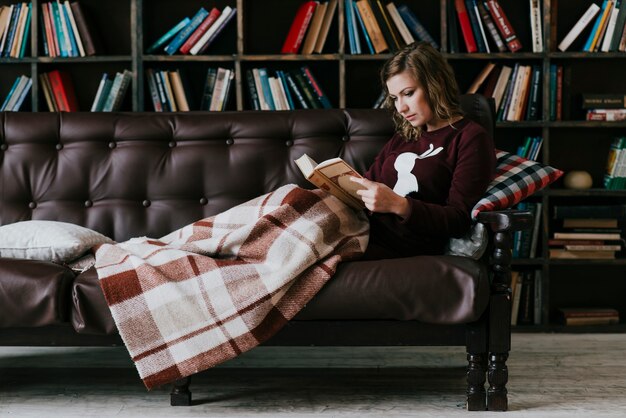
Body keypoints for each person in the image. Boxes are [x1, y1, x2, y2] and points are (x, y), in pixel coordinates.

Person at [350, 42, 496, 260]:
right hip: (364, 230)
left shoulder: (470, 138)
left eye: (408, 93)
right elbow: (368, 183)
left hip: (401, 246)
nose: (401, 108)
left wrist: (399, 204)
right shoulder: (405, 135)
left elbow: (458, 220)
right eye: (394, 98)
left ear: (435, 84)